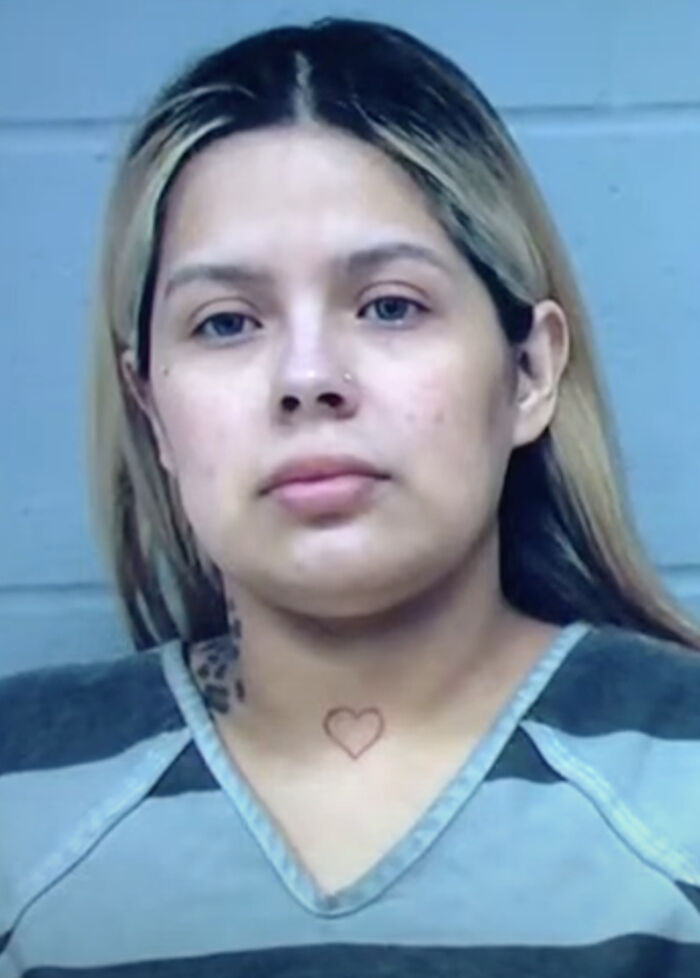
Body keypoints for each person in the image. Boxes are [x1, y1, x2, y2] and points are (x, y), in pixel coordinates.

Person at [1, 16, 700, 977]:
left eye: (389, 306)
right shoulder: (20, 789)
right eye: (226, 322)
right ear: (151, 410)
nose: (308, 377)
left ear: (529, 372)